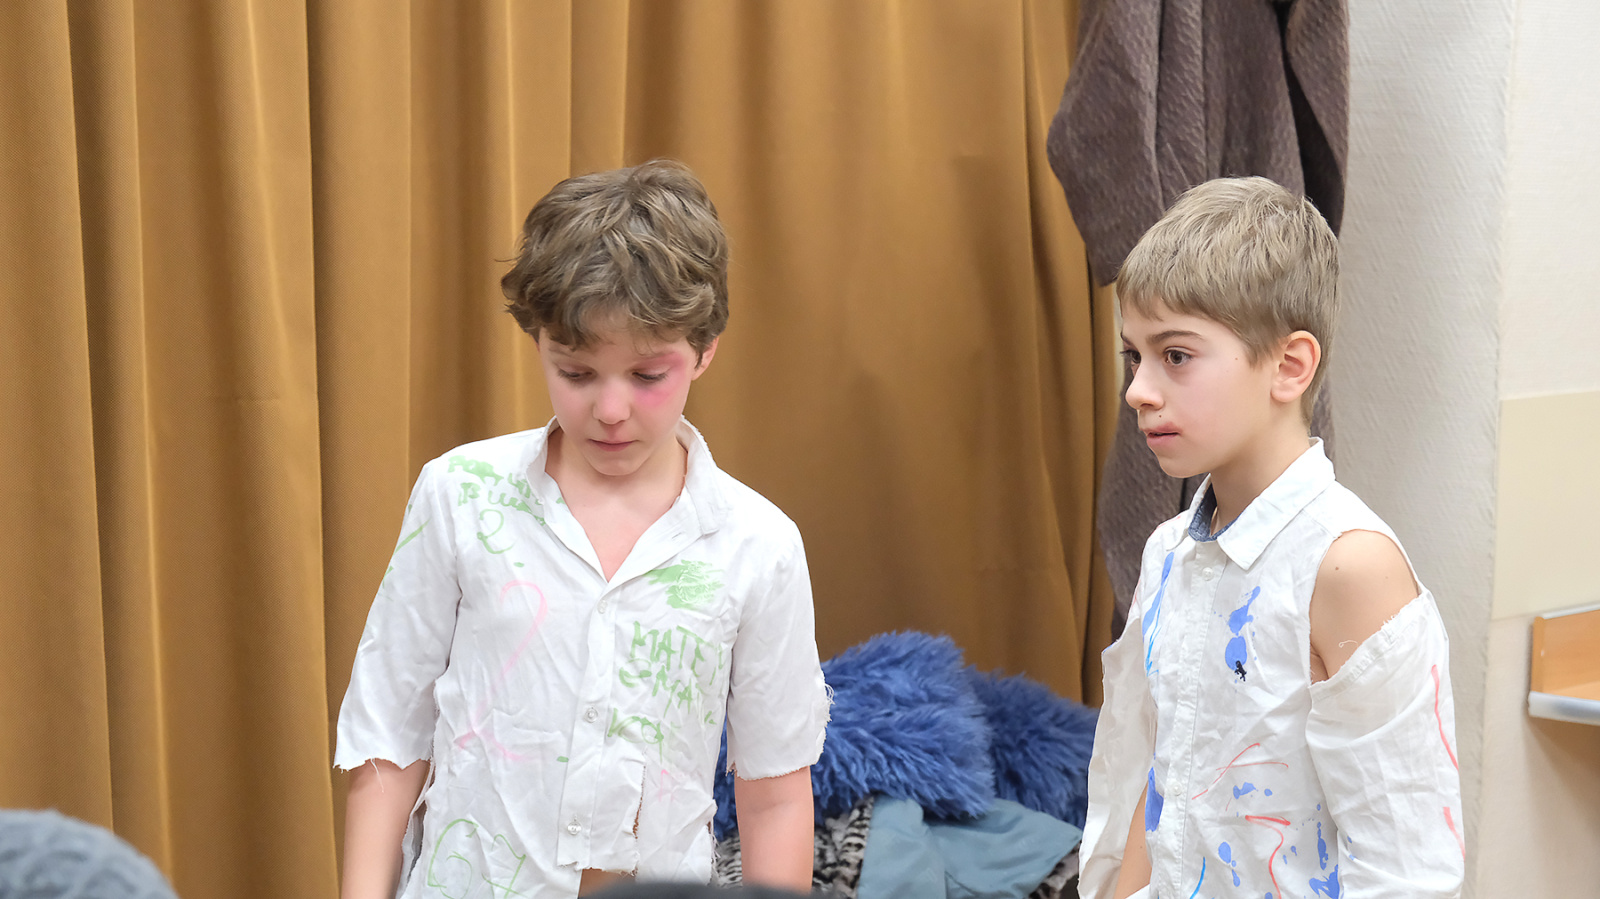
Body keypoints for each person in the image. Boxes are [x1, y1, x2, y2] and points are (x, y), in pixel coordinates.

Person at [335, 160, 830, 899]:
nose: (610, 410)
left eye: (648, 375)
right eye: (576, 372)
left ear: (704, 350)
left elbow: (776, 794)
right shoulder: (460, 493)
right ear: (538, 342)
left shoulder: (759, 544)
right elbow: (388, 740)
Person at [1078, 177, 1464, 899]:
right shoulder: (1169, 553)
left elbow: (1407, 869)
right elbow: (1159, 783)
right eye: (1135, 356)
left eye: (1176, 355)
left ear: (1289, 366)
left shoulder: (1348, 566)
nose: (1138, 390)